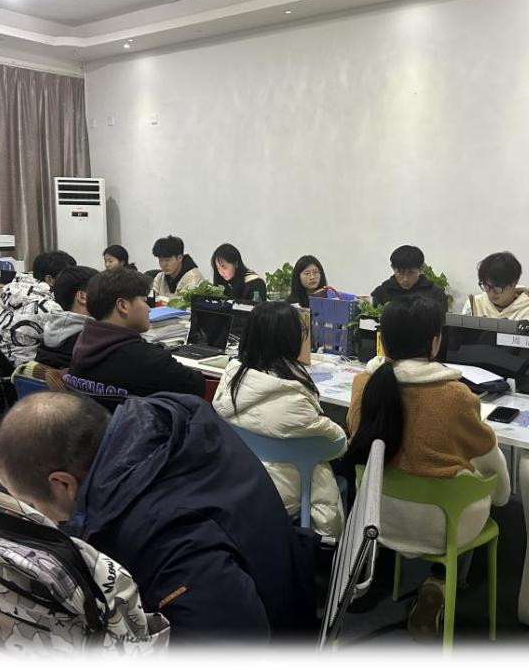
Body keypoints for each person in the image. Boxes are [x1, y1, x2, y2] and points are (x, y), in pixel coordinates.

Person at [0, 391, 318, 663]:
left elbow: (231, 648)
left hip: (267, 637)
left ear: (63, 483)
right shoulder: (166, 420)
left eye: (32, 504)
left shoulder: (159, 534)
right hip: (279, 577)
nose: (37, 513)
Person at [344, 295, 509, 645]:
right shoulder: (455, 396)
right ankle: (440, 580)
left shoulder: (363, 384)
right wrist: (498, 494)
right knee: (473, 486)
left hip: (376, 516)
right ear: (435, 341)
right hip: (439, 526)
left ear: (383, 338)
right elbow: (493, 468)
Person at [213, 301, 347, 537]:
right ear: (290, 339)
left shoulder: (231, 378)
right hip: (283, 491)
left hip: (238, 479)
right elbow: (337, 443)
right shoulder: (293, 397)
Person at [68, 268, 205, 397]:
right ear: (123, 305)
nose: (149, 309)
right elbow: (197, 386)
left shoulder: (78, 344)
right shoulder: (149, 359)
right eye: (145, 301)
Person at [0, 250, 77, 365]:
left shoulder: (16, 292)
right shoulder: (49, 307)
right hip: (23, 368)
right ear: (49, 280)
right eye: (67, 276)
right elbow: (64, 343)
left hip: (1, 362)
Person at [35, 266, 99, 369]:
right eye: (101, 292)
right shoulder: (93, 340)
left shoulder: (48, 331)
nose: (106, 297)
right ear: (82, 296)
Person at [461, 251, 529, 328]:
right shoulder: (474, 304)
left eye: (497, 287)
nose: (491, 293)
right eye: (486, 286)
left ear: (515, 282)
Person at [371, 245, 447, 311]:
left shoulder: (436, 294)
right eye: (400, 273)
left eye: (411, 273)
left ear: (421, 269)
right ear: (393, 268)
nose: (405, 279)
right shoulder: (382, 292)